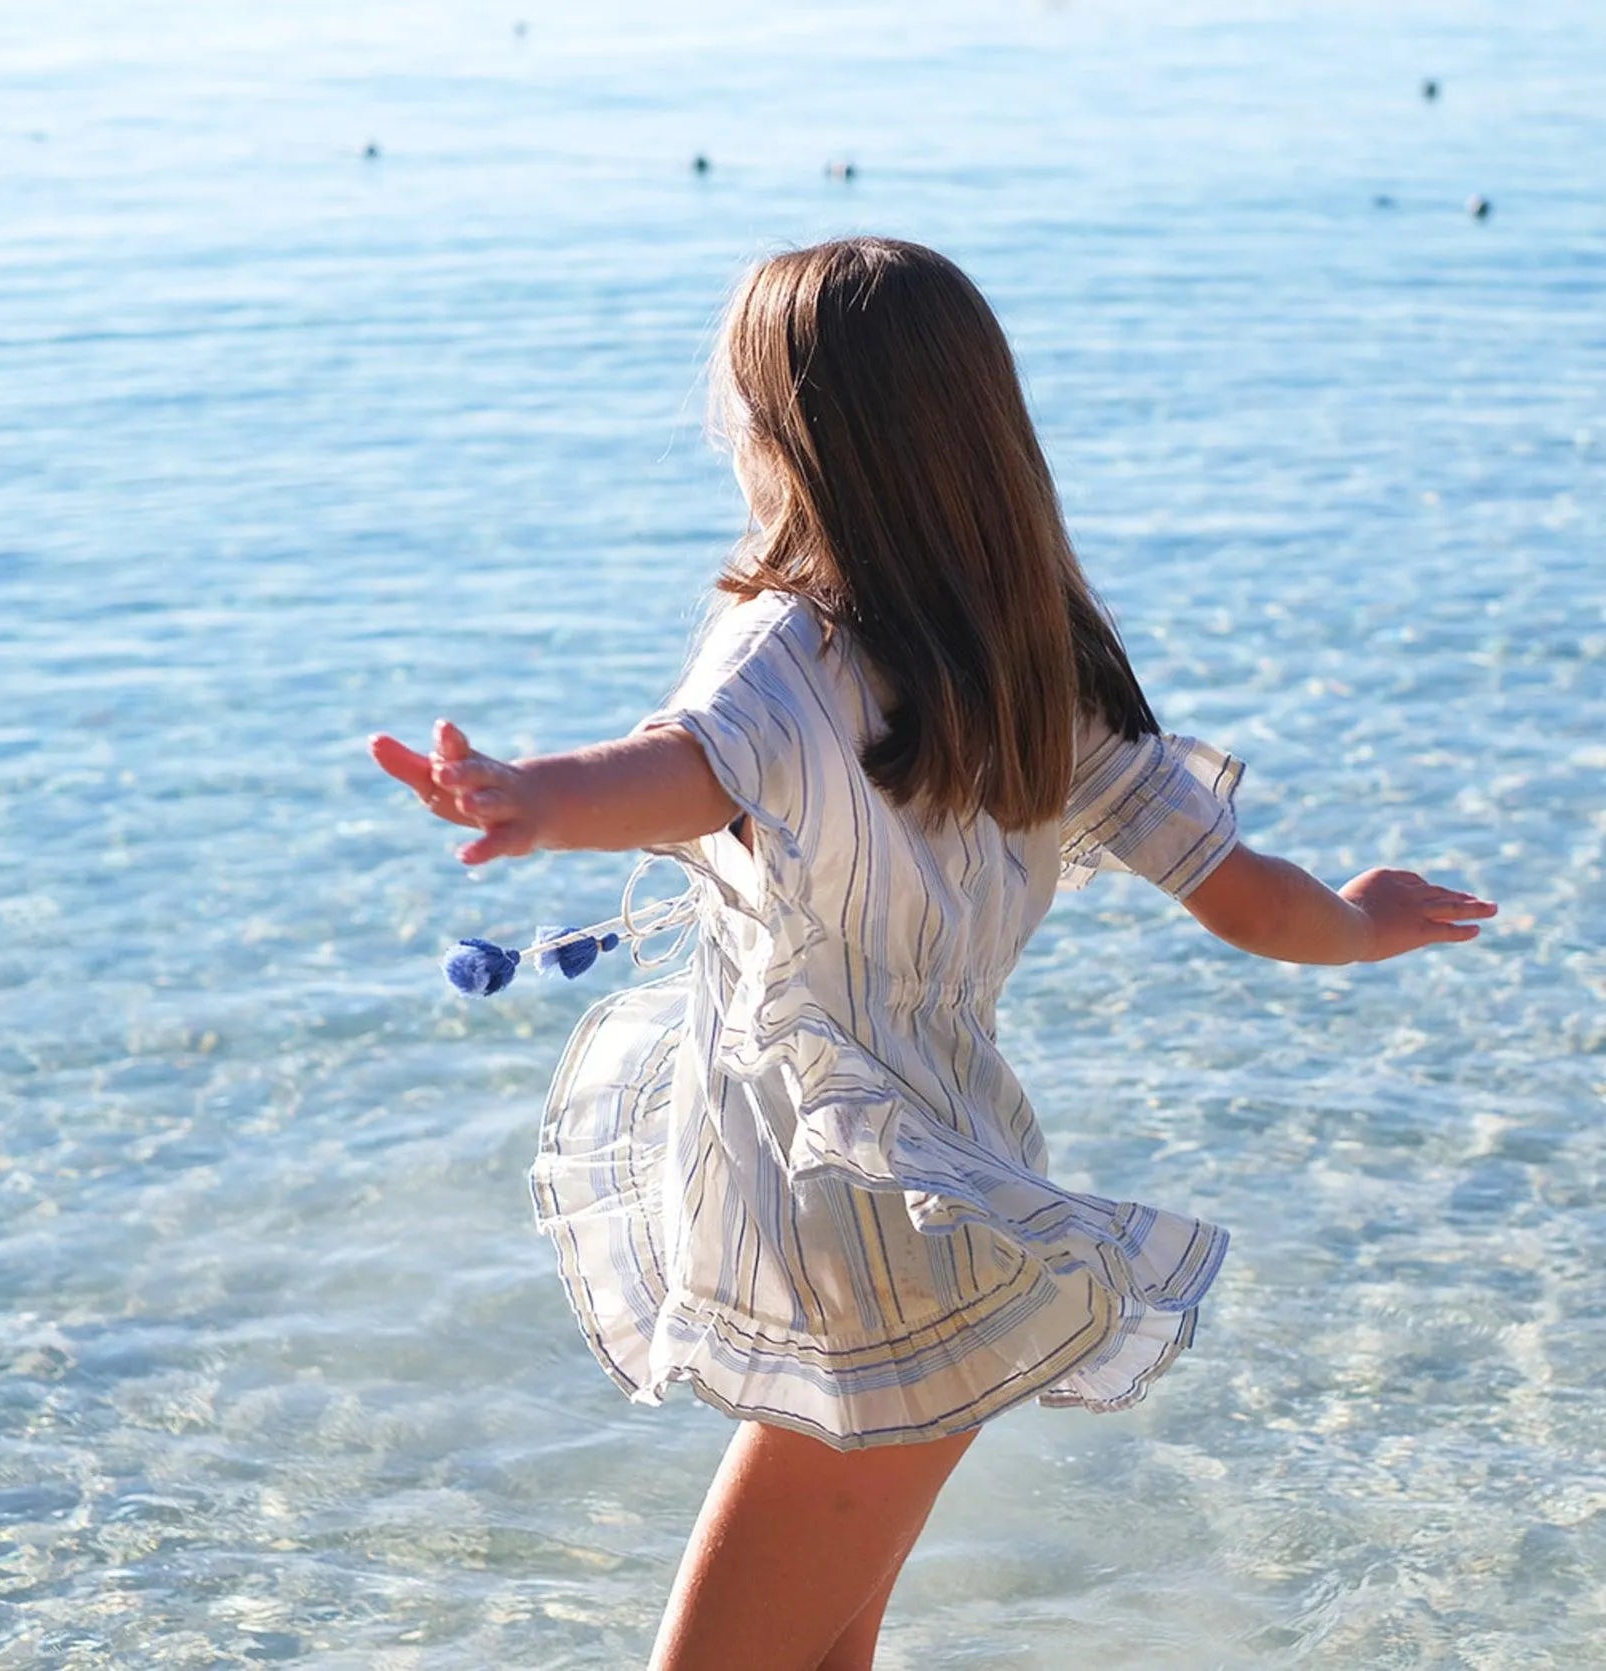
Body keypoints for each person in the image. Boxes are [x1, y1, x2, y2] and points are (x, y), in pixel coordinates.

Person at [370, 237, 1495, 1671]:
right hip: (935, 1196)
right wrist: (1358, 917)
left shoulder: (787, 650)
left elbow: (686, 761)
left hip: (857, 1248)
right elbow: (1241, 894)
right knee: (830, 1655)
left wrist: (535, 798)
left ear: (787, 441)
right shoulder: (1033, 666)